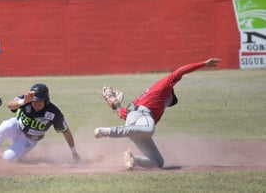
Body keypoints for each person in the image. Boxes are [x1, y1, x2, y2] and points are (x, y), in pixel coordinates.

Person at [94, 58, 222, 170]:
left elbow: (122, 113)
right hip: (142, 115)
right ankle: (106, 131)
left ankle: (132, 158)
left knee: (158, 162)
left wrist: (113, 102)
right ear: (171, 93)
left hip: (135, 124)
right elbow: (180, 71)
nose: (170, 103)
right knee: (149, 129)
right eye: (172, 100)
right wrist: (204, 64)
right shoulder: (163, 87)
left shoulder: (151, 104)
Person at [0, 83, 81, 163]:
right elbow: (10, 105)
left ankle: (4, 156)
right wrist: (23, 101)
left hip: (29, 139)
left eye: (39, 101)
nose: (36, 103)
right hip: (17, 128)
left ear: (46, 100)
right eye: (34, 100)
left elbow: (65, 131)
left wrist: (74, 152)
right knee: (7, 124)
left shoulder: (54, 113)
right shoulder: (27, 100)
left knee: (8, 158)